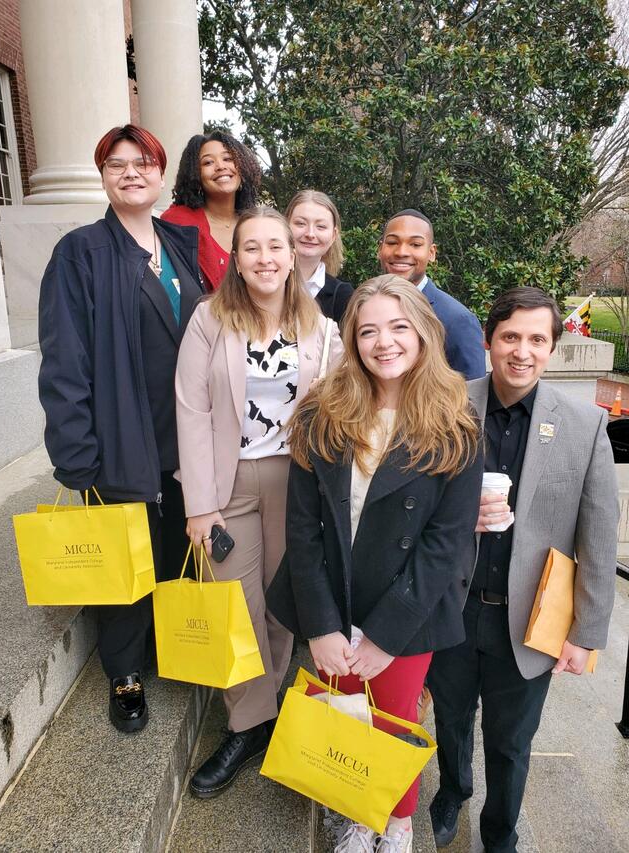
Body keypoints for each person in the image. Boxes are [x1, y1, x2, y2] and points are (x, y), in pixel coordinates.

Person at [267, 274, 484, 853]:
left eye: (397, 327)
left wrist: (386, 637)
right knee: (343, 717)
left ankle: (398, 824)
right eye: (368, 331)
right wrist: (319, 624)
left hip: (407, 611)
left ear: (423, 334)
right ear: (352, 340)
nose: (383, 342)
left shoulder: (456, 423)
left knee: (393, 721)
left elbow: (447, 542)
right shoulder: (324, 412)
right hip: (333, 600)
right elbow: (302, 529)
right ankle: (356, 812)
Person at [427, 287, 619, 853]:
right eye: (510, 336)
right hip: (453, 609)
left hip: (529, 621)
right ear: (488, 342)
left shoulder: (585, 426)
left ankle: (500, 831)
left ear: (553, 348)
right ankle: (452, 793)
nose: (522, 351)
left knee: (511, 741)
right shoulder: (445, 404)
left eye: (537, 339)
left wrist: (585, 635)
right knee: (452, 719)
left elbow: (600, 536)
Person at [38, 124, 204, 732]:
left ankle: (174, 645)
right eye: (117, 163)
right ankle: (126, 671)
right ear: (103, 175)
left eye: (143, 162)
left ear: (161, 175)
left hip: (184, 435)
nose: (131, 172)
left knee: (178, 546)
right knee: (124, 561)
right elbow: (64, 361)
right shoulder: (81, 252)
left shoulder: (180, 245)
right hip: (117, 435)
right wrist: (76, 452)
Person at [175, 206, 343, 799]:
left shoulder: (321, 329)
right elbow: (191, 412)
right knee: (235, 601)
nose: (266, 258)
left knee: (279, 602)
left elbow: (342, 410)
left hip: (296, 484)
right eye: (253, 248)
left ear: (293, 254)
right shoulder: (209, 320)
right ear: (237, 260)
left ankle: (268, 711)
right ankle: (247, 723)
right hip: (227, 483)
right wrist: (200, 505)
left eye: (276, 246)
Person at [377, 209, 485, 380]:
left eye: (415, 245)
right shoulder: (366, 308)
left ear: (431, 253)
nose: (401, 252)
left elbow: (472, 396)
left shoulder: (457, 320)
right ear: (380, 249)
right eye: (392, 242)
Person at [161, 130, 261, 290]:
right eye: (208, 163)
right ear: (195, 174)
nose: (221, 166)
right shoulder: (178, 224)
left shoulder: (257, 223)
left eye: (228, 159)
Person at [285, 189, 354, 323]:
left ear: (333, 235)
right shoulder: (264, 284)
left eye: (321, 226)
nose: (310, 234)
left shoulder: (342, 296)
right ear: (285, 226)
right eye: (300, 223)